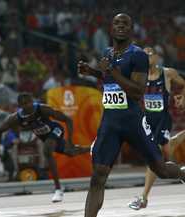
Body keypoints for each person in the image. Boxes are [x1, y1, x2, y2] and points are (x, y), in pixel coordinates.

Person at [78, 13, 185, 217]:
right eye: (116, 23)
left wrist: (112, 71)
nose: (120, 26)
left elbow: (137, 91)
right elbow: (109, 79)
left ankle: (181, 173)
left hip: (133, 121)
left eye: (125, 24)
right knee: (98, 176)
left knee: (161, 170)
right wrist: (93, 72)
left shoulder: (138, 55)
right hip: (110, 122)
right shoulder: (107, 52)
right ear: (111, 28)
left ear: (131, 29)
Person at [0, 92, 90, 202]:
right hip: (45, 137)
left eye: (29, 102)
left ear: (32, 101)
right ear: (20, 106)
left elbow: (67, 120)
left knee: (47, 150)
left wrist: (69, 141)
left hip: (56, 130)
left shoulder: (43, 109)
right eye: (24, 104)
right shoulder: (16, 118)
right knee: (71, 152)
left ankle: (58, 189)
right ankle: (92, 148)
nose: (28, 105)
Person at [128, 47, 185, 210]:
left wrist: (182, 98)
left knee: (156, 157)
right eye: (143, 56)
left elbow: (182, 85)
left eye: (149, 55)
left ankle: (143, 198)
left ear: (157, 57)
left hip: (162, 119)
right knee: (165, 156)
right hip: (147, 120)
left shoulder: (167, 73)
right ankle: (181, 173)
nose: (146, 58)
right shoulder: (139, 76)